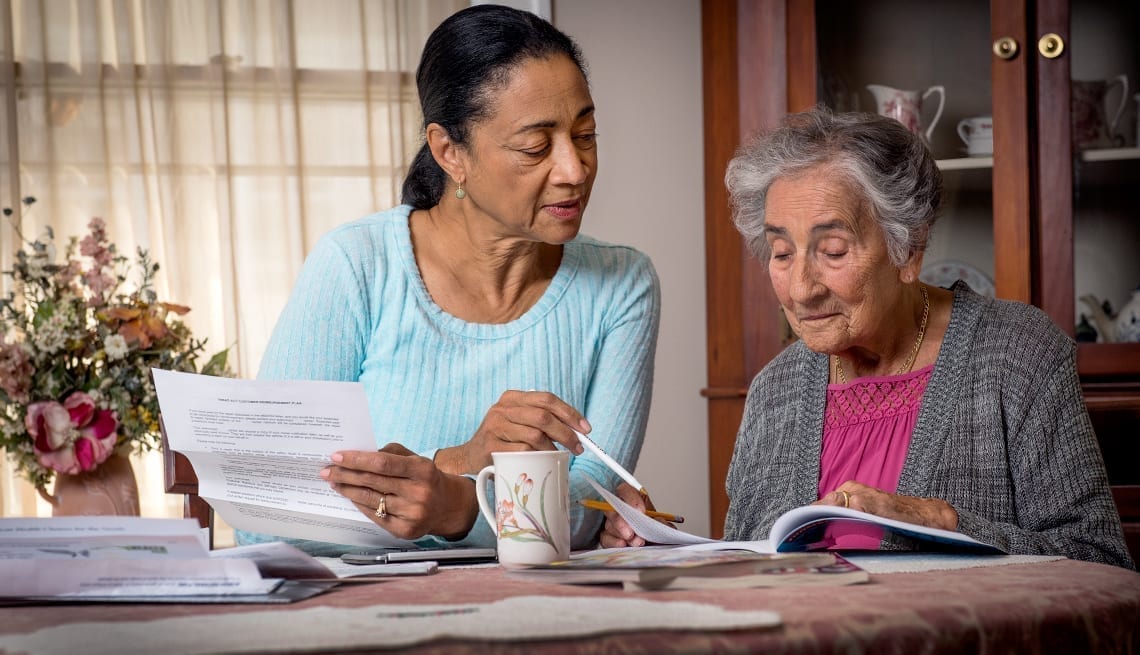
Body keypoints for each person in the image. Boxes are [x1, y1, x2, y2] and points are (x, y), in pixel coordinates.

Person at [601, 107, 1132, 569]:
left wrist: (945, 521)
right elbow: (754, 567)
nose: (801, 289)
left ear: (909, 247)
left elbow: (1100, 561)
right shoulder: (775, 391)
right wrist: (660, 547)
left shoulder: (1018, 354)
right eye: (781, 254)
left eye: (832, 251)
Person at [239, 5, 660, 555]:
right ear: (449, 152)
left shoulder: (622, 284)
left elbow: (594, 507)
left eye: (585, 134)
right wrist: (458, 464)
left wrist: (457, 505)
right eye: (536, 147)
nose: (575, 169)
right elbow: (266, 513)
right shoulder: (356, 264)